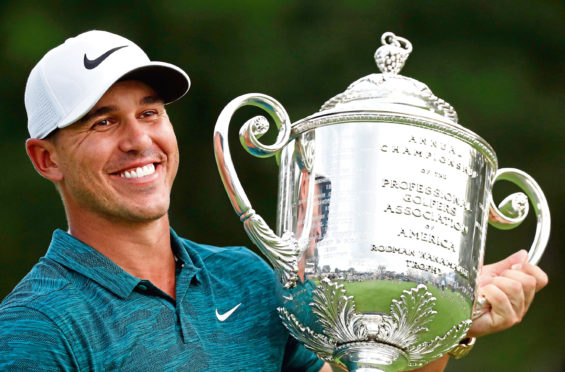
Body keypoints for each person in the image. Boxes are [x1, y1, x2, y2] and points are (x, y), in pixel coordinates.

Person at [0, 30, 548, 372]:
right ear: (46, 159)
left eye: (149, 113)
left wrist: (442, 321)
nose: (139, 140)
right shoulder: (35, 325)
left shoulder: (247, 279)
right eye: (103, 121)